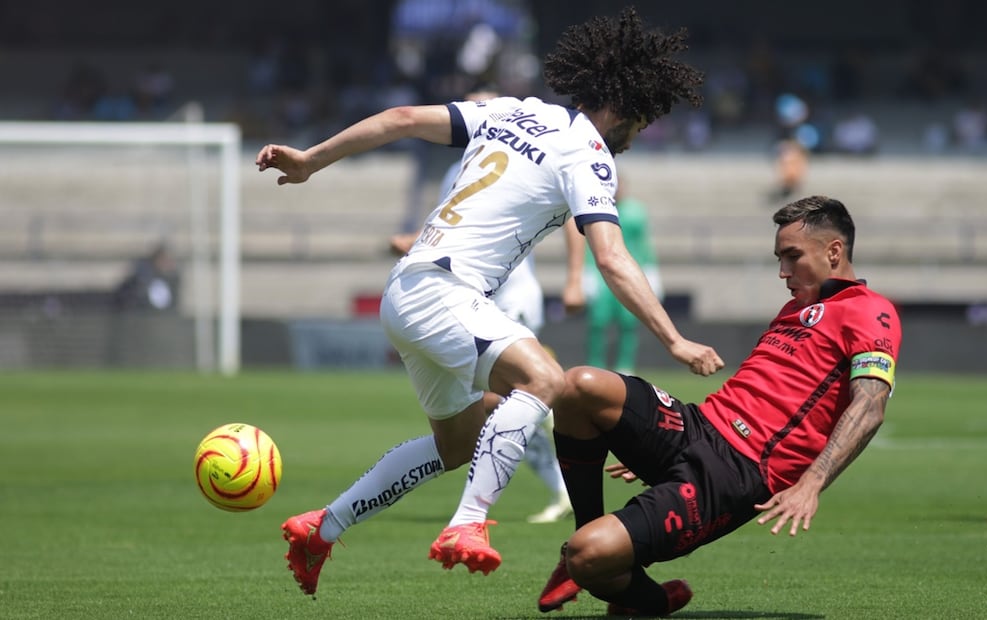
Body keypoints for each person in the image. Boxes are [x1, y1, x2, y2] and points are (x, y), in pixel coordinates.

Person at [256, 6, 722, 597]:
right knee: (545, 379)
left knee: (455, 444)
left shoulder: (514, 110)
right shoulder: (590, 154)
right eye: (641, 126)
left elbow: (402, 118)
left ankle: (322, 528)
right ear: (627, 110)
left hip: (407, 289)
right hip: (444, 293)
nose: (633, 141)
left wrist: (310, 161)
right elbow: (611, 257)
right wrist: (674, 339)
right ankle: (468, 523)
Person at [538, 196, 902, 616]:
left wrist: (811, 483)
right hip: (695, 427)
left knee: (588, 554)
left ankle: (648, 598)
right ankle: (581, 554)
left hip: (735, 472)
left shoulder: (871, 312)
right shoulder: (795, 308)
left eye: (792, 257)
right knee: (576, 386)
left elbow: (870, 407)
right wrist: (642, 443)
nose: (783, 272)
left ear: (834, 251)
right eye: (779, 259)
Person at [390, 93, 575, 524]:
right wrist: (414, 243)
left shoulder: (532, 156)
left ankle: (554, 452)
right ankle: (560, 485)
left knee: (511, 395)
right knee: (504, 402)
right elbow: (453, 225)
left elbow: (572, 216)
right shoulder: (459, 168)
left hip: (511, 294)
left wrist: (573, 277)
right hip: (466, 296)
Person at [583, 179, 659, 374]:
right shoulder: (596, 207)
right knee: (598, 322)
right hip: (601, 275)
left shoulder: (636, 211)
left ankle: (625, 366)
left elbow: (643, 243)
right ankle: (596, 364)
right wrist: (586, 271)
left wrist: (651, 269)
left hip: (630, 273)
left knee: (628, 322)